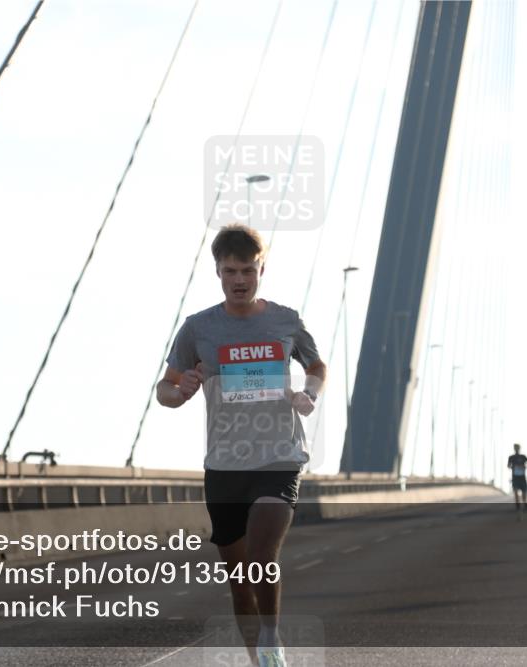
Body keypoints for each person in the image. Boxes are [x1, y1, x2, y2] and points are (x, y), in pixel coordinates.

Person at [156, 224, 327, 667]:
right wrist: (183, 390)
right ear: (217, 272)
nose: (239, 279)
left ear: (260, 269)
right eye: (230, 270)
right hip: (225, 466)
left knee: (260, 555)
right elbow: (165, 389)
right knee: (238, 580)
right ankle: (258, 661)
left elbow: (316, 363)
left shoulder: (285, 320)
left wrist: (309, 392)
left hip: (279, 458)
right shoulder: (198, 328)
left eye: (247, 270)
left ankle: (271, 640)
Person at [507, 444, 527, 510]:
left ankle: (525, 502)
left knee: (524, 494)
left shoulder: (523, 456)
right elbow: (508, 466)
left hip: (522, 477)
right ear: (514, 448)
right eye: (515, 448)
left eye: (517, 447)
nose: (516, 449)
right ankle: (517, 505)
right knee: (515, 491)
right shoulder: (511, 457)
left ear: (519, 448)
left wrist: (524, 467)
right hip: (515, 477)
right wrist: (513, 467)